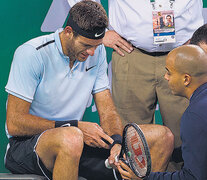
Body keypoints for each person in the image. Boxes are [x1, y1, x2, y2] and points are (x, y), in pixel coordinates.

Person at [4, 1, 174, 179]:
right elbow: (15, 123)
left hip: (76, 139)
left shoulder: (96, 52)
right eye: (86, 45)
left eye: (97, 45)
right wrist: (74, 126)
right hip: (28, 146)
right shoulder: (32, 53)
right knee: (71, 138)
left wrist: (116, 141)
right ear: (68, 32)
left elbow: (107, 109)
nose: (92, 52)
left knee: (162, 136)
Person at [102, 0, 204, 171]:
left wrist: (201, 37)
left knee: (187, 135)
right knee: (132, 138)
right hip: (131, 52)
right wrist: (101, 31)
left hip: (184, 52)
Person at [117, 45, 207, 180]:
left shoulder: (194, 116)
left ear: (186, 79)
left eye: (169, 72)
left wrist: (145, 178)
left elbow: (192, 177)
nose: (165, 77)